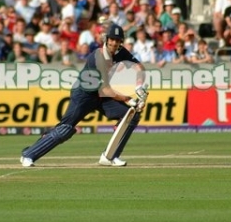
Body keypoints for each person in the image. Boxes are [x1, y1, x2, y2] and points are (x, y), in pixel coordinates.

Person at [20, 23, 148, 167]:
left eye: (118, 40)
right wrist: (129, 99)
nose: (114, 43)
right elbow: (105, 89)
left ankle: (110, 156)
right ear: (106, 39)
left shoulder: (121, 51)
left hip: (101, 97)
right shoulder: (97, 57)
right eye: (112, 39)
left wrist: (139, 86)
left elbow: (139, 67)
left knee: (131, 116)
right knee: (65, 129)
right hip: (83, 94)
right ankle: (29, 154)